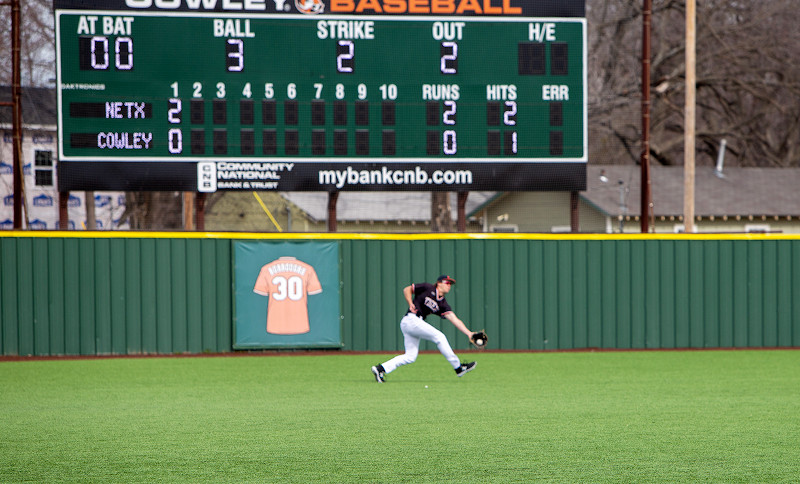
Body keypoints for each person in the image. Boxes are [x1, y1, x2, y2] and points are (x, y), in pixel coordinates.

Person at [371, 275, 477, 383]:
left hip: (413, 324)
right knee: (439, 337)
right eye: (447, 283)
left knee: (410, 357)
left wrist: (469, 333)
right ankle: (458, 368)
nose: (449, 286)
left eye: (451, 284)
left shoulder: (442, 303)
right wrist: (410, 303)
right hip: (411, 320)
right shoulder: (428, 288)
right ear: (439, 283)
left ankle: (380, 369)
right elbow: (407, 289)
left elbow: (454, 319)